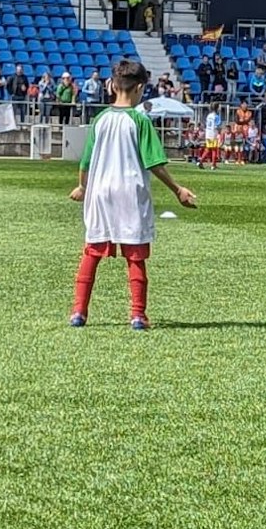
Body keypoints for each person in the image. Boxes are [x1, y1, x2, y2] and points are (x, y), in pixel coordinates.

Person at [69, 59, 198, 329]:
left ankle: (79, 312)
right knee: (135, 255)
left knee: (92, 250)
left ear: (113, 86)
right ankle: (138, 315)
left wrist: (82, 187)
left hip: (100, 192)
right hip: (130, 192)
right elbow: (154, 164)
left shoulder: (100, 119)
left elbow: (86, 163)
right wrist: (178, 190)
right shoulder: (140, 121)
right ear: (140, 88)